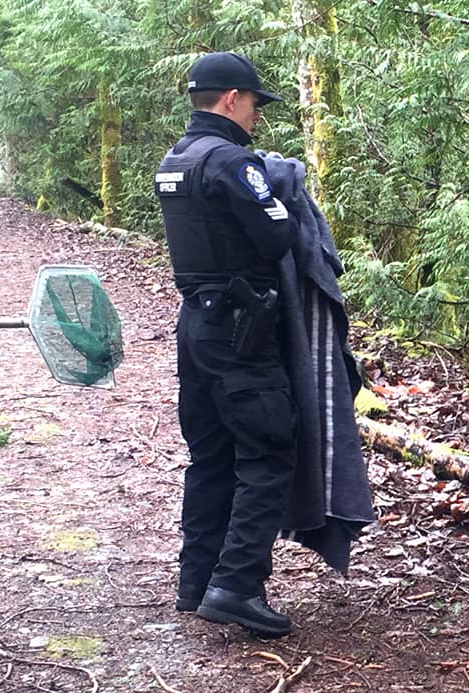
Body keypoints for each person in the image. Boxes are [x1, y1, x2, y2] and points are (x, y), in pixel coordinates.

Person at [154, 51, 298, 638]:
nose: (257, 117)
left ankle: (197, 581)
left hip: (196, 326)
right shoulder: (232, 162)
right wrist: (280, 183)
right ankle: (236, 585)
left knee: (210, 454)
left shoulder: (176, 159)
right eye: (255, 105)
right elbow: (276, 234)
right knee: (267, 449)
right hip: (242, 329)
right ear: (233, 98)